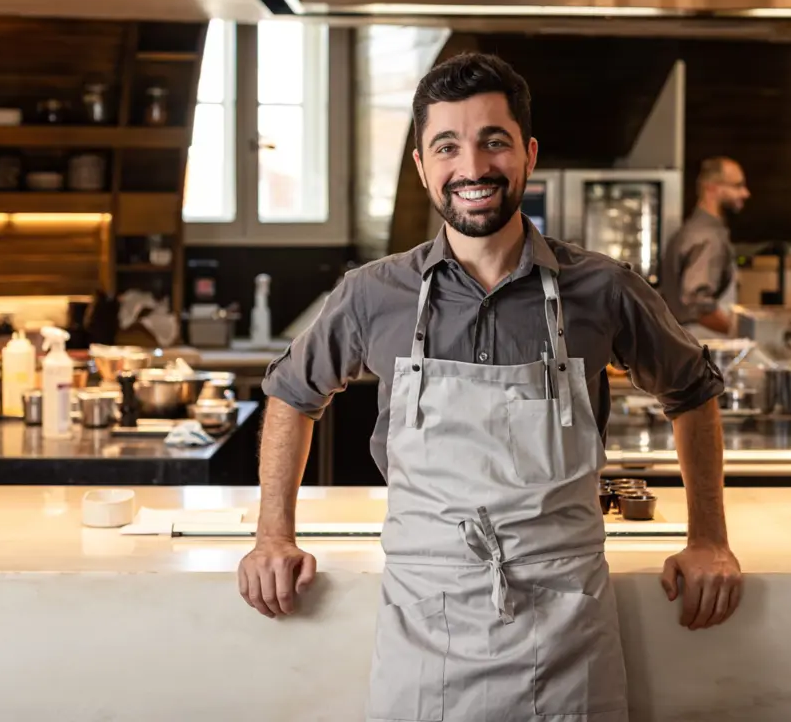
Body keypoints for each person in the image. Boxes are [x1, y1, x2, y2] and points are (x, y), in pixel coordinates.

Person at [238, 52, 743, 721]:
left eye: (493, 142)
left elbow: (692, 391)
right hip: (426, 631)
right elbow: (291, 396)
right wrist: (274, 534)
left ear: (527, 154)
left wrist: (708, 537)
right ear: (422, 166)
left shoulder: (602, 287)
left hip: (568, 632)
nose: (472, 167)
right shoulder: (374, 294)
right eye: (447, 146)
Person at [661, 157, 751, 339]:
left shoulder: (694, 230)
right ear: (712, 187)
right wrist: (741, 333)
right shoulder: (707, 237)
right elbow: (697, 303)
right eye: (737, 186)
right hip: (704, 347)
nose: (745, 193)